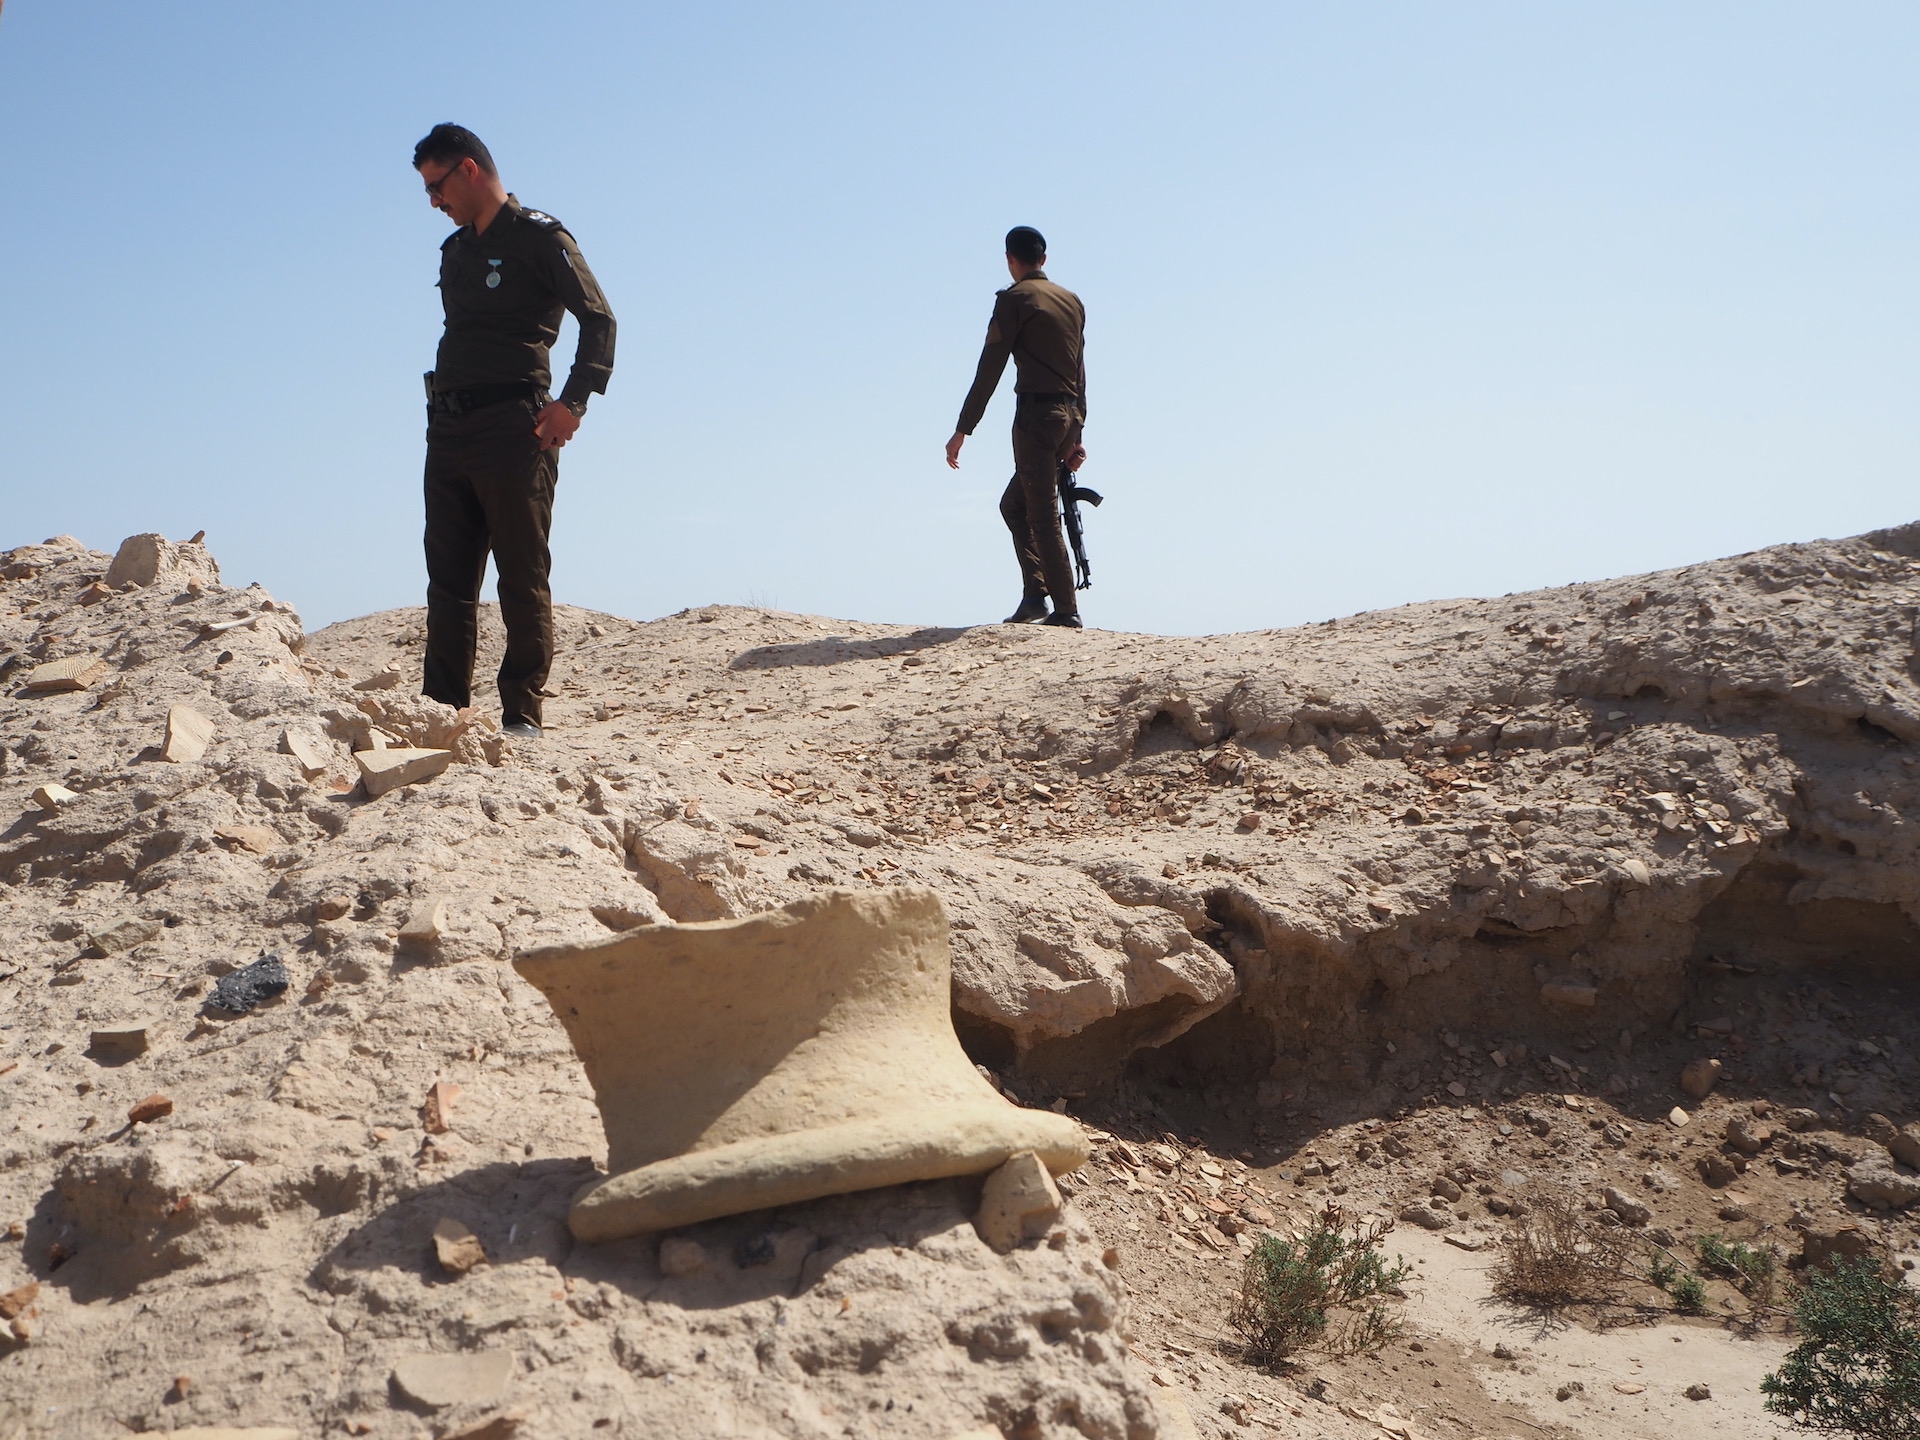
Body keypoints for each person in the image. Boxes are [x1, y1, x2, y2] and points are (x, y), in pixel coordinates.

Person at [412, 123, 616, 738]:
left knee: (521, 576)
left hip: (513, 426)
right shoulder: (455, 251)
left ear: (469, 169)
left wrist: (573, 403)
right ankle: (442, 713)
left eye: (437, 185)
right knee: (448, 580)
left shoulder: (538, 238)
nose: (433, 202)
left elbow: (599, 320)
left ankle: (521, 716)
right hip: (448, 427)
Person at [945, 226, 1088, 628]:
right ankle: (1034, 596)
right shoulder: (1071, 301)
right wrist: (1077, 434)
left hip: (1035, 419)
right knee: (1015, 504)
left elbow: (989, 368)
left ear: (1011, 260)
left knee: (1042, 514)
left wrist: (963, 429)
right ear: (1044, 258)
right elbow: (1080, 371)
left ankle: (1065, 610)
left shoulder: (1014, 300)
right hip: (1066, 416)